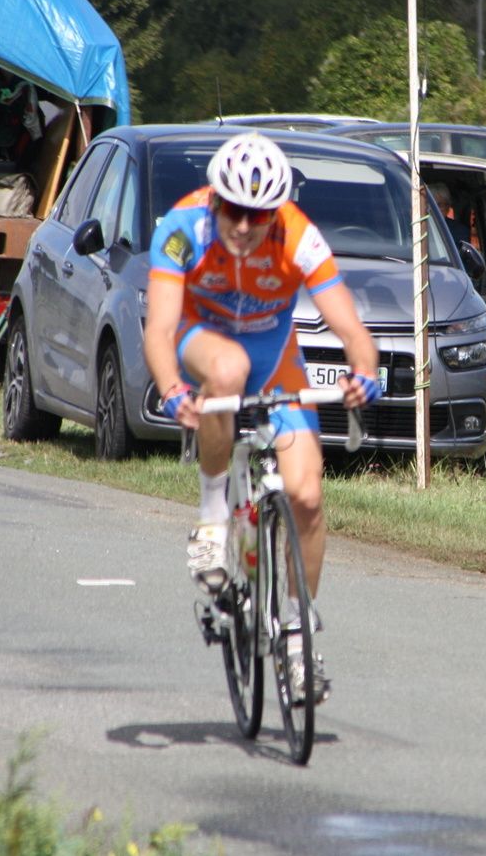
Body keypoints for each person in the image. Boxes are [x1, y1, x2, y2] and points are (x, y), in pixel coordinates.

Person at [144, 131, 383, 703]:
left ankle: (299, 638)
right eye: (233, 209)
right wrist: (173, 389)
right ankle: (210, 521)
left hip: (277, 358)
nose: (244, 226)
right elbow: (158, 328)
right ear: (214, 199)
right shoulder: (182, 229)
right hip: (203, 338)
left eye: (258, 214)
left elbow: (353, 331)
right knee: (224, 369)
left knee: (306, 495)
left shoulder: (299, 236)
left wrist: (363, 374)